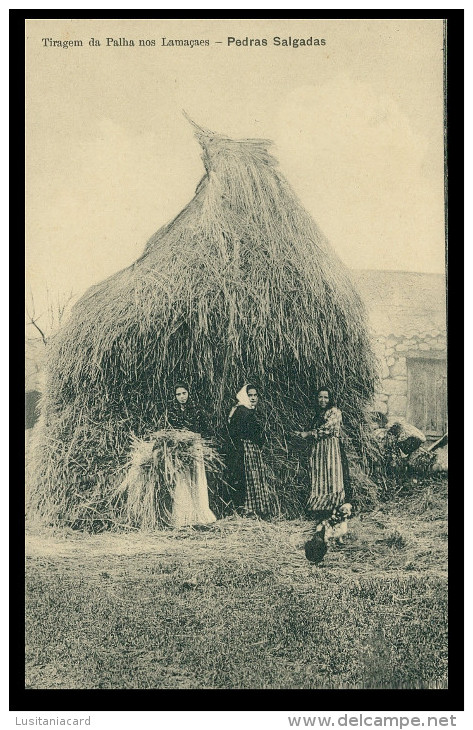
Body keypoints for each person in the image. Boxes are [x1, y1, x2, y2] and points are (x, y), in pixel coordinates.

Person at [162, 382, 217, 529]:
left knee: (197, 478)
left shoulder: (197, 410)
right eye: (178, 394)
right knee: (183, 479)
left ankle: (199, 515)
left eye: (184, 393)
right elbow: (170, 430)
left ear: (188, 393)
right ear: (175, 396)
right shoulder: (172, 411)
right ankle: (184, 517)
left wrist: (198, 439)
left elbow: (206, 429)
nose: (181, 397)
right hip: (180, 448)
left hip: (195, 447)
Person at [296, 387, 351, 532]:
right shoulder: (316, 414)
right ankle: (320, 508)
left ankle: (334, 507)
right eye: (320, 397)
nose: (323, 400)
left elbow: (327, 429)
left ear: (330, 399)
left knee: (332, 475)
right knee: (320, 476)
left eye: (326, 397)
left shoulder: (334, 412)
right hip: (318, 449)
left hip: (330, 448)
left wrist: (308, 434)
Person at [227, 384, 273, 518]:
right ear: (244, 396)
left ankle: (253, 510)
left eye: (255, 395)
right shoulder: (243, 412)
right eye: (250, 395)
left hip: (249, 448)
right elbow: (249, 432)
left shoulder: (243, 409)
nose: (253, 398)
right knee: (250, 477)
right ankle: (250, 510)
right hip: (247, 448)